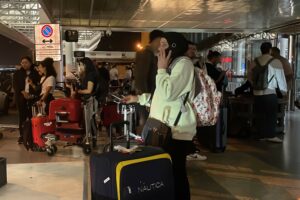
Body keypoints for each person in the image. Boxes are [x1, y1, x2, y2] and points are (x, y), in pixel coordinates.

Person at [123, 32, 196, 200]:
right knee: (167, 170)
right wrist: (139, 99)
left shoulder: (184, 64)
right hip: (164, 127)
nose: (160, 48)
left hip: (176, 130)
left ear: (174, 47)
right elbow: (162, 97)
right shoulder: (172, 64)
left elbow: (169, 93)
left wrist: (161, 69)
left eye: (164, 44)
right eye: (160, 44)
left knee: (176, 171)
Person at [248, 42, 287, 143]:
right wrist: (283, 92)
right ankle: (270, 135)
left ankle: (261, 135)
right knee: (271, 115)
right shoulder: (275, 61)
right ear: (270, 50)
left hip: (257, 93)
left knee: (260, 114)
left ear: (261, 50)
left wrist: (255, 86)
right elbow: (281, 78)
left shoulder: (254, 61)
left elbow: (249, 78)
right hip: (269, 92)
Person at [134, 29, 165, 129]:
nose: (162, 45)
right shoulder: (145, 54)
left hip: (149, 99)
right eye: (161, 42)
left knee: (151, 127)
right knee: (148, 128)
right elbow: (141, 78)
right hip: (146, 100)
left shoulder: (152, 55)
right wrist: (145, 100)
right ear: (156, 40)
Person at [185, 41, 207, 161]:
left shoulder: (194, 64)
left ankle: (190, 150)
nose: (193, 51)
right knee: (188, 128)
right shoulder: (184, 64)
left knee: (191, 127)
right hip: (187, 102)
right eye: (191, 49)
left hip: (194, 101)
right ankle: (189, 151)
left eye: (195, 49)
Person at [13, 56, 40, 144]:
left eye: (26, 62)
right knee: (22, 117)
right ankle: (22, 135)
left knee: (33, 117)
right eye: (22, 62)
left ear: (30, 63)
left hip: (32, 98)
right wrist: (23, 92)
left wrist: (32, 95)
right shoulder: (17, 73)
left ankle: (33, 134)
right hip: (21, 98)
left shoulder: (36, 72)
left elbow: (38, 86)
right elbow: (15, 85)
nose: (24, 64)